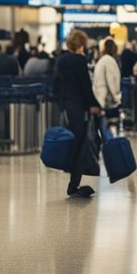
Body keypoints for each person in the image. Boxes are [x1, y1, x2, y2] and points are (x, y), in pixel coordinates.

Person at [54, 29, 103, 199]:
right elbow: (85, 86)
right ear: (81, 44)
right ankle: (73, 183)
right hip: (78, 106)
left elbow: (56, 84)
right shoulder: (79, 60)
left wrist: (61, 102)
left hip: (66, 106)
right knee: (81, 143)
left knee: (72, 141)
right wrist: (94, 104)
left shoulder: (61, 60)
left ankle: (73, 180)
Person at [92, 38, 122, 120]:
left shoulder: (102, 60)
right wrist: (117, 98)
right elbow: (111, 81)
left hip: (98, 97)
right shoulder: (109, 61)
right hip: (104, 100)